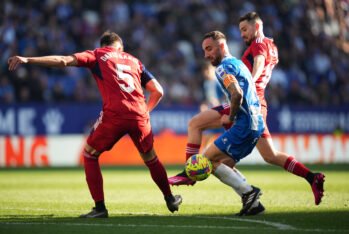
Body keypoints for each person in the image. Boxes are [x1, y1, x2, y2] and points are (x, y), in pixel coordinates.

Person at [8, 31, 182, 218]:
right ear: (120, 47)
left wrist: (28, 60)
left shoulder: (97, 55)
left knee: (90, 154)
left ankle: (100, 208)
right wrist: (145, 111)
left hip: (115, 114)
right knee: (150, 158)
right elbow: (158, 91)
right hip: (140, 114)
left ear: (102, 46)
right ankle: (170, 198)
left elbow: (64, 60)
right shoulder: (134, 60)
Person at [169, 12, 325, 206]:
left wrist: (246, 83)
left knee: (197, 126)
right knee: (268, 156)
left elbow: (257, 64)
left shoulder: (258, 44)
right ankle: (310, 178)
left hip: (248, 102)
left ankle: (190, 172)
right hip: (256, 104)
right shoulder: (272, 47)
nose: (242, 34)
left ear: (257, 26)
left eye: (244, 29)